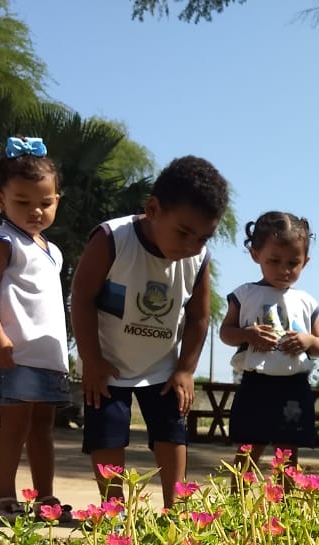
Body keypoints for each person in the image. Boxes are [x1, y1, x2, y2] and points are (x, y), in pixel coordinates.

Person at [71, 155, 229, 508]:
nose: (191, 245)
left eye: (203, 238)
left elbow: (199, 318)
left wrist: (185, 369)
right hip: (107, 363)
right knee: (108, 429)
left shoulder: (197, 260)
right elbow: (81, 297)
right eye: (184, 232)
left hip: (162, 366)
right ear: (154, 209)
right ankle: (113, 512)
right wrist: (91, 359)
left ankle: (177, 508)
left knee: (172, 428)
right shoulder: (112, 239)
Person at [0, 137, 70, 521]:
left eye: (45, 203)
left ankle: (45, 498)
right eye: (23, 202)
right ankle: (4, 497)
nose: (36, 211)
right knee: (14, 426)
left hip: (47, 357)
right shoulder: (1, 240)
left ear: (57, 200)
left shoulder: (52, 250)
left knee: (43, 428)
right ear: (0, 200)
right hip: (13, 354)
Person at [220, 211, 319, 471]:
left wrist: (306, 340)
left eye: (293, 263)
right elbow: (226, 333)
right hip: (256, 383)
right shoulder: (244, 294)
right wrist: (247, 334)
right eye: (274, 260)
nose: (284, 270)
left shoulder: (306, 301)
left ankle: (287, 504)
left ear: (306, 261)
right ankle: (239, 503)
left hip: (293, 385)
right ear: (256, 255)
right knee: (249, 446)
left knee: (288, 450)